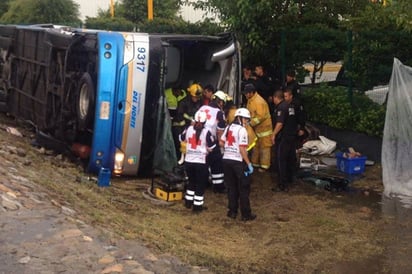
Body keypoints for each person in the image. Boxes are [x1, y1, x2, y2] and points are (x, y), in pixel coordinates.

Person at [220, 108, 256, 221]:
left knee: (231, 187)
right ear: (240, 118)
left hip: (226, 160)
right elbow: (242, 149)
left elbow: (221, 142)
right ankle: (246, 214)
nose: (246, 122)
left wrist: (228, 149)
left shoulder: (228, 127)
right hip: (238, 162)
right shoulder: (242, 130)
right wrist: (249, 163)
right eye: (245, 119)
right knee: (244, 188)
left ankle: (232, 211)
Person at [180, 110, 215, 212]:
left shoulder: (188, 129)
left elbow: (181, 138)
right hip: (201, 162)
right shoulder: (207, 132)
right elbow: (212, 146)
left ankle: (188, 202)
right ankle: (197, 206)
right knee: (200, 184)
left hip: (189, 161)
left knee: (191, 182)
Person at [197, 90, 227, 193]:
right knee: (216, 163)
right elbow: (220, 131)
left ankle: (203, 182)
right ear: (221, 102)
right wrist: (221, 146)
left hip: (198, 139)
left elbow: (194, 123)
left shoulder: (202, 108)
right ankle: (218, 186)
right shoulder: (220, 113)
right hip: (211, 140)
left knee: (203, 162)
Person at [271, 90, 298, 192]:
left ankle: (282, 184)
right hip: (291, 136)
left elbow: (280, 123)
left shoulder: (281, 108)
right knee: (290, 158)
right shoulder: (290, 106)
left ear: (275, 98)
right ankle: (290, 178)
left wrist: (273, 134)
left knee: (280, 160)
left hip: (284, 137)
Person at [242, 83, 272, 172]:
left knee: (264, 148)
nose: (245, 95)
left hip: (264, 129)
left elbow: (260, 117)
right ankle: (255, 164)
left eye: (246, 93)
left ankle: (264, 166)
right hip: (256, 129)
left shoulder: (259, 101)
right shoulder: (250, 100)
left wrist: (250, 123)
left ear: (251, 93)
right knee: (256, 147)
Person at [172, 83, 203, 159]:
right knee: (180, 145)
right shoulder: (183, 103)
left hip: (190, 127)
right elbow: (180, 116)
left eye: (199, 97)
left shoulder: (198, 103)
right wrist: (185, 127)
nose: (197, 99)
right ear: (191, 95)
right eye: (196, 97)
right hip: (179, 127)